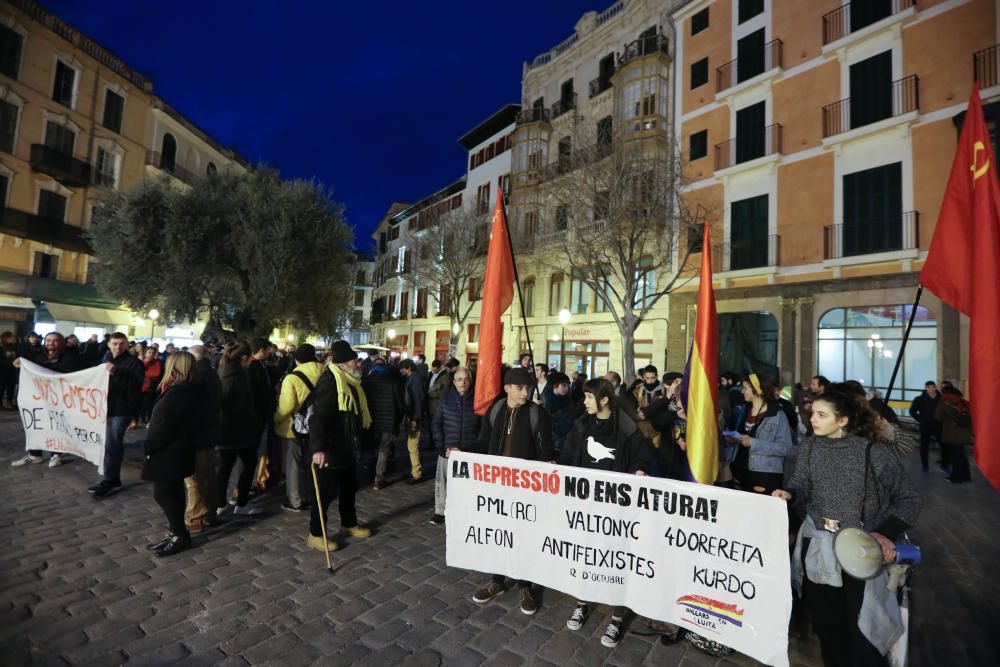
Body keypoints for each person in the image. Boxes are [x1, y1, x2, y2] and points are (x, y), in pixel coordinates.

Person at [773, 388, 921, 667]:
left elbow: (909, 500)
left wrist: (882, 533)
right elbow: (802, 483)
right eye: (812, 413)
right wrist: (790, 494)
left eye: (821, 414)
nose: (812, 420)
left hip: (863, 554)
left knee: (864, 634)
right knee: (829, 630)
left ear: (842, 420)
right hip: (819, 551)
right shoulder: (810, 446)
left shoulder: (873, 453)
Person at [559, 378, 650, 647]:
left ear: (605, 400)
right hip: (586, 507)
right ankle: (582, 601)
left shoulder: (626, 427)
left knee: (618, 557)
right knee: (587, 553)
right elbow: (568, 455)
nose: (584, 402)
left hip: (618, 510)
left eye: (589, 397)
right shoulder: (581, 425)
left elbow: (641, 457)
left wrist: (639, 471)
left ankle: (618, 616)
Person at [471, 367, 554, 615]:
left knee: (524, 535)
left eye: (528, 388)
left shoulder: (538, 414)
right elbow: (483, 443)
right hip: (497, 486)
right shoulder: (495, 410)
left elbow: (546, 451)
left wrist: (548, 467)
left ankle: (525, 585)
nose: (525, 392)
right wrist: (459, 451)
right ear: (507, 388)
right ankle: (498, 580)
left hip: (526, 489)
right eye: (520, 388)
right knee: (500, 532)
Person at [308, 340, 373, 552]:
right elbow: (318, 418)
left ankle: (348, 523)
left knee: (348, 489)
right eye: (355, 361)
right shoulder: (330, 382)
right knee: (324, 495)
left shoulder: (353, 383)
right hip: (331, 450)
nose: (358, 364)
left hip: (347, 449)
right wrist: (319, 448)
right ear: (344, 363)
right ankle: (316, 534)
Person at [142, 351, 200, 557]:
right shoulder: (185, 390)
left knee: (164, 493)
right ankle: (176, 532)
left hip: (170, 451)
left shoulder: (178, 393)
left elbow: (163, 426)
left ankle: (180, 534)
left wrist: (148, 446)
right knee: (173, 493)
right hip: (178, 450)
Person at [11, 332, 81, 467]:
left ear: (61, 342)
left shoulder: (69, 357)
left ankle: (56, 454)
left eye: (55, 341)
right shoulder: (38, 356)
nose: (51, 343)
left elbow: (67, 372)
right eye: (48, 340)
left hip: (59, 399)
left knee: (57, 425)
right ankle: (34, 454)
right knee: (36, 424)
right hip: (39, 398)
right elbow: (26, 366)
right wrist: (22, 363)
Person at [89, 332, 145, 499]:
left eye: (121, 343)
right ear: (109, 344)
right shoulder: (106, 360)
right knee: (107, 443)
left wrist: (117, 373)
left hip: (122, 410)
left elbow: (135, 387)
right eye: (114, 343)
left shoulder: (134, 363)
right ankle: (110, 478)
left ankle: (110, 480)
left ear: (127, 344)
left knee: (113, 444)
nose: (118, 347)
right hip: (105, 407)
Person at [274, 344, 323, 511]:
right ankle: (314, 494)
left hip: (295, 426)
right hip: (318, 425)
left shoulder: (292, 378)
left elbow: (287, 406)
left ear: (297, 360)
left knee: (293, 463)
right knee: (312, 461)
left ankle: (295, 499)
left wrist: (276, 419)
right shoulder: (325, 372)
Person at [216, 340, 263, 516]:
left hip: (226, 431)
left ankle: (220, 503)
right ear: (244, 357)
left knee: (225, 467)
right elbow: (241, 407)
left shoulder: (224, 371)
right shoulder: (238, 377)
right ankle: (241, 503)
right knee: (248, 463)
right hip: (238, 431)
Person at [727, 374, 793, 495]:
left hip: (764, 475)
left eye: (745, 388)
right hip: (739, 472)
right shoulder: (742, 411)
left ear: (758, 390)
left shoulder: (777, 415)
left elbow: (786, 449)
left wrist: (753, 443)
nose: (742, 391)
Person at [429, 367, 479, 525]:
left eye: (466, 379)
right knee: (442, 482)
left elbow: (482, 427)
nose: (462, 383)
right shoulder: (445, 398)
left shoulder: (478, 400)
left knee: (467, 483)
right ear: (453, 382)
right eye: (459, 379)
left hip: (469, 449)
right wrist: (442, 446)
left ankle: (464, 510)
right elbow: (436, 423)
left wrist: (475, 447)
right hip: (448, 448)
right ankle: (440, 511)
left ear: (470, 381)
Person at [184, 345, 221, 533]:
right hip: (209, 431)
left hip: (198, 433)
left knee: (195, 478)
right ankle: (210, 513)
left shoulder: (199, 376)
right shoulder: (212, 373)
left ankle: (195, 517)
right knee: (208, 475)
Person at [363, 357, 403, 491]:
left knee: (371, 446)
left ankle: (368, 471)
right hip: (389, 422)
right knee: (384, 449)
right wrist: (400, 418)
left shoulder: (366, 381)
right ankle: (378, 479)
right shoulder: (393, 381)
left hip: (372, 421)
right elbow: (399, 403)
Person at [934, 386, 973, 483]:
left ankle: (956, 477)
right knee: (962, 455)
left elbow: (937, 417)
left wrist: (947, 420)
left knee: (955, 457)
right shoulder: (963, 402)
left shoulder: (944, 401)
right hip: (964, 433)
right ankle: (966, 476)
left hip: (952, 434)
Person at [399, 359, 428, 483]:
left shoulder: (414, 380)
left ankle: (416, 472)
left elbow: (418, 400)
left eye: (403, 368)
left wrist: (415, 418)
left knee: (412, 444)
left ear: (409, 368)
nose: (401, 370)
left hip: (415, 417)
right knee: (411, 444)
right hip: (412, 415)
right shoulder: (412, 379)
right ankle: (414, 469)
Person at [908, 381, 941, 473]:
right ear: (925, 388)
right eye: (928, 387)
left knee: (944, 445)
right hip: (925, 426)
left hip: (938, 426)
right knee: (924, 447)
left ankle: (945, 464)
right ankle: (925, 465)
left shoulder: (941, 399)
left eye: (932, 387)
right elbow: (912, 411)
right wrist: (921, 420)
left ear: (935, 388)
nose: (930, 389)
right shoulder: (920, 399)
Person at [138, 347, 163, 428]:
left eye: (152, 353)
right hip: (141, 386)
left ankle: (149, 419)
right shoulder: (141, 362)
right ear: (145, 353)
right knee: (142, 404)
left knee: (150, 404)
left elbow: (157, 374)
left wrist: (145, 374)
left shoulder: (157, 362)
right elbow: (139, 373)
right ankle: (141, 418)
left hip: (151, 387)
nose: (150, 354)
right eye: (149, 352)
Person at [0, 331, 18, 410]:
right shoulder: (1, 348)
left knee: (11, 388)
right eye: (11, 337)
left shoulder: (15, 347)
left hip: (13, 371)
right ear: (6, 338)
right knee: (1, 388)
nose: (13, 338)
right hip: (3, 371)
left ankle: (9, 403)